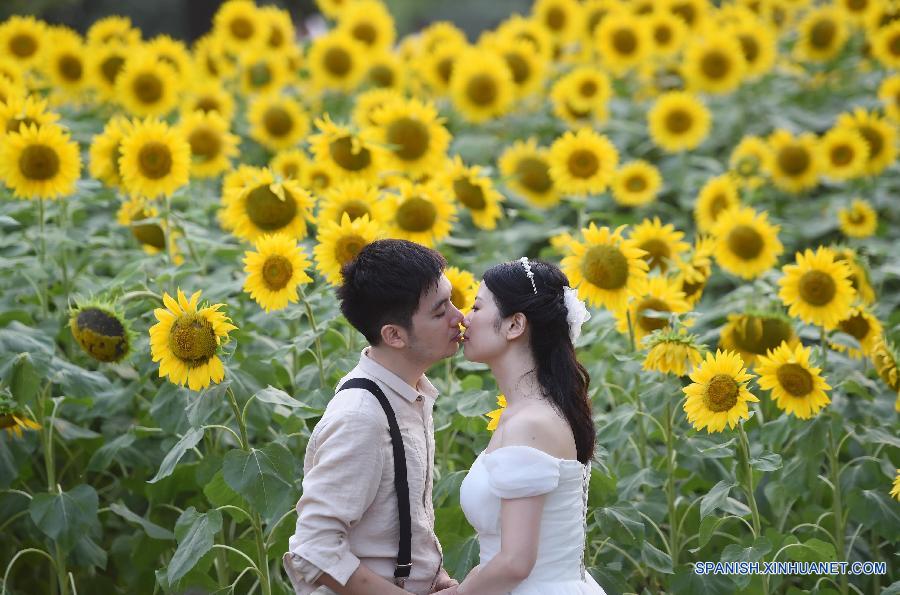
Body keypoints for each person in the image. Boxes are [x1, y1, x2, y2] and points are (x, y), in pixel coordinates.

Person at [283, 239, 463, 595]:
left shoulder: (408, 393)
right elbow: (313, 550)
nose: (460, 317)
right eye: (441, 312)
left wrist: (435, 578)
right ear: (394, 335)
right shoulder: (361, 417)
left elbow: (393, 527)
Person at [438, 257, 607, 595]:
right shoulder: (528, 413)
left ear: (515, 325)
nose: (464, 319)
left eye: (476, 306)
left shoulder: (530, 423)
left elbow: (516, 562)